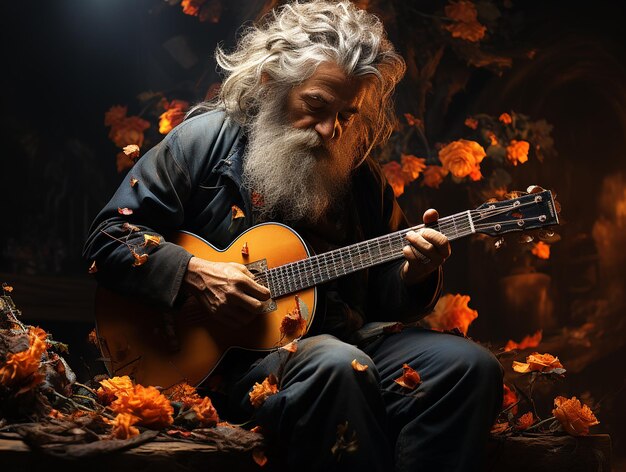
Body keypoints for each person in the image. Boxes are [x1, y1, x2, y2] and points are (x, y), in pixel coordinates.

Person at [83, 1, 503, 470]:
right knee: (336, 365)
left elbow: (386, 298)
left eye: (347, 114)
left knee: (469, 368)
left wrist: (413, 273)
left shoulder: (359, 173)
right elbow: (109, 238)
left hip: (344, 341)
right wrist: (193, 275)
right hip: (236, 368)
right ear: (271, 82)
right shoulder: (202, 141)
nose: (330, 130)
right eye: (317, 105)